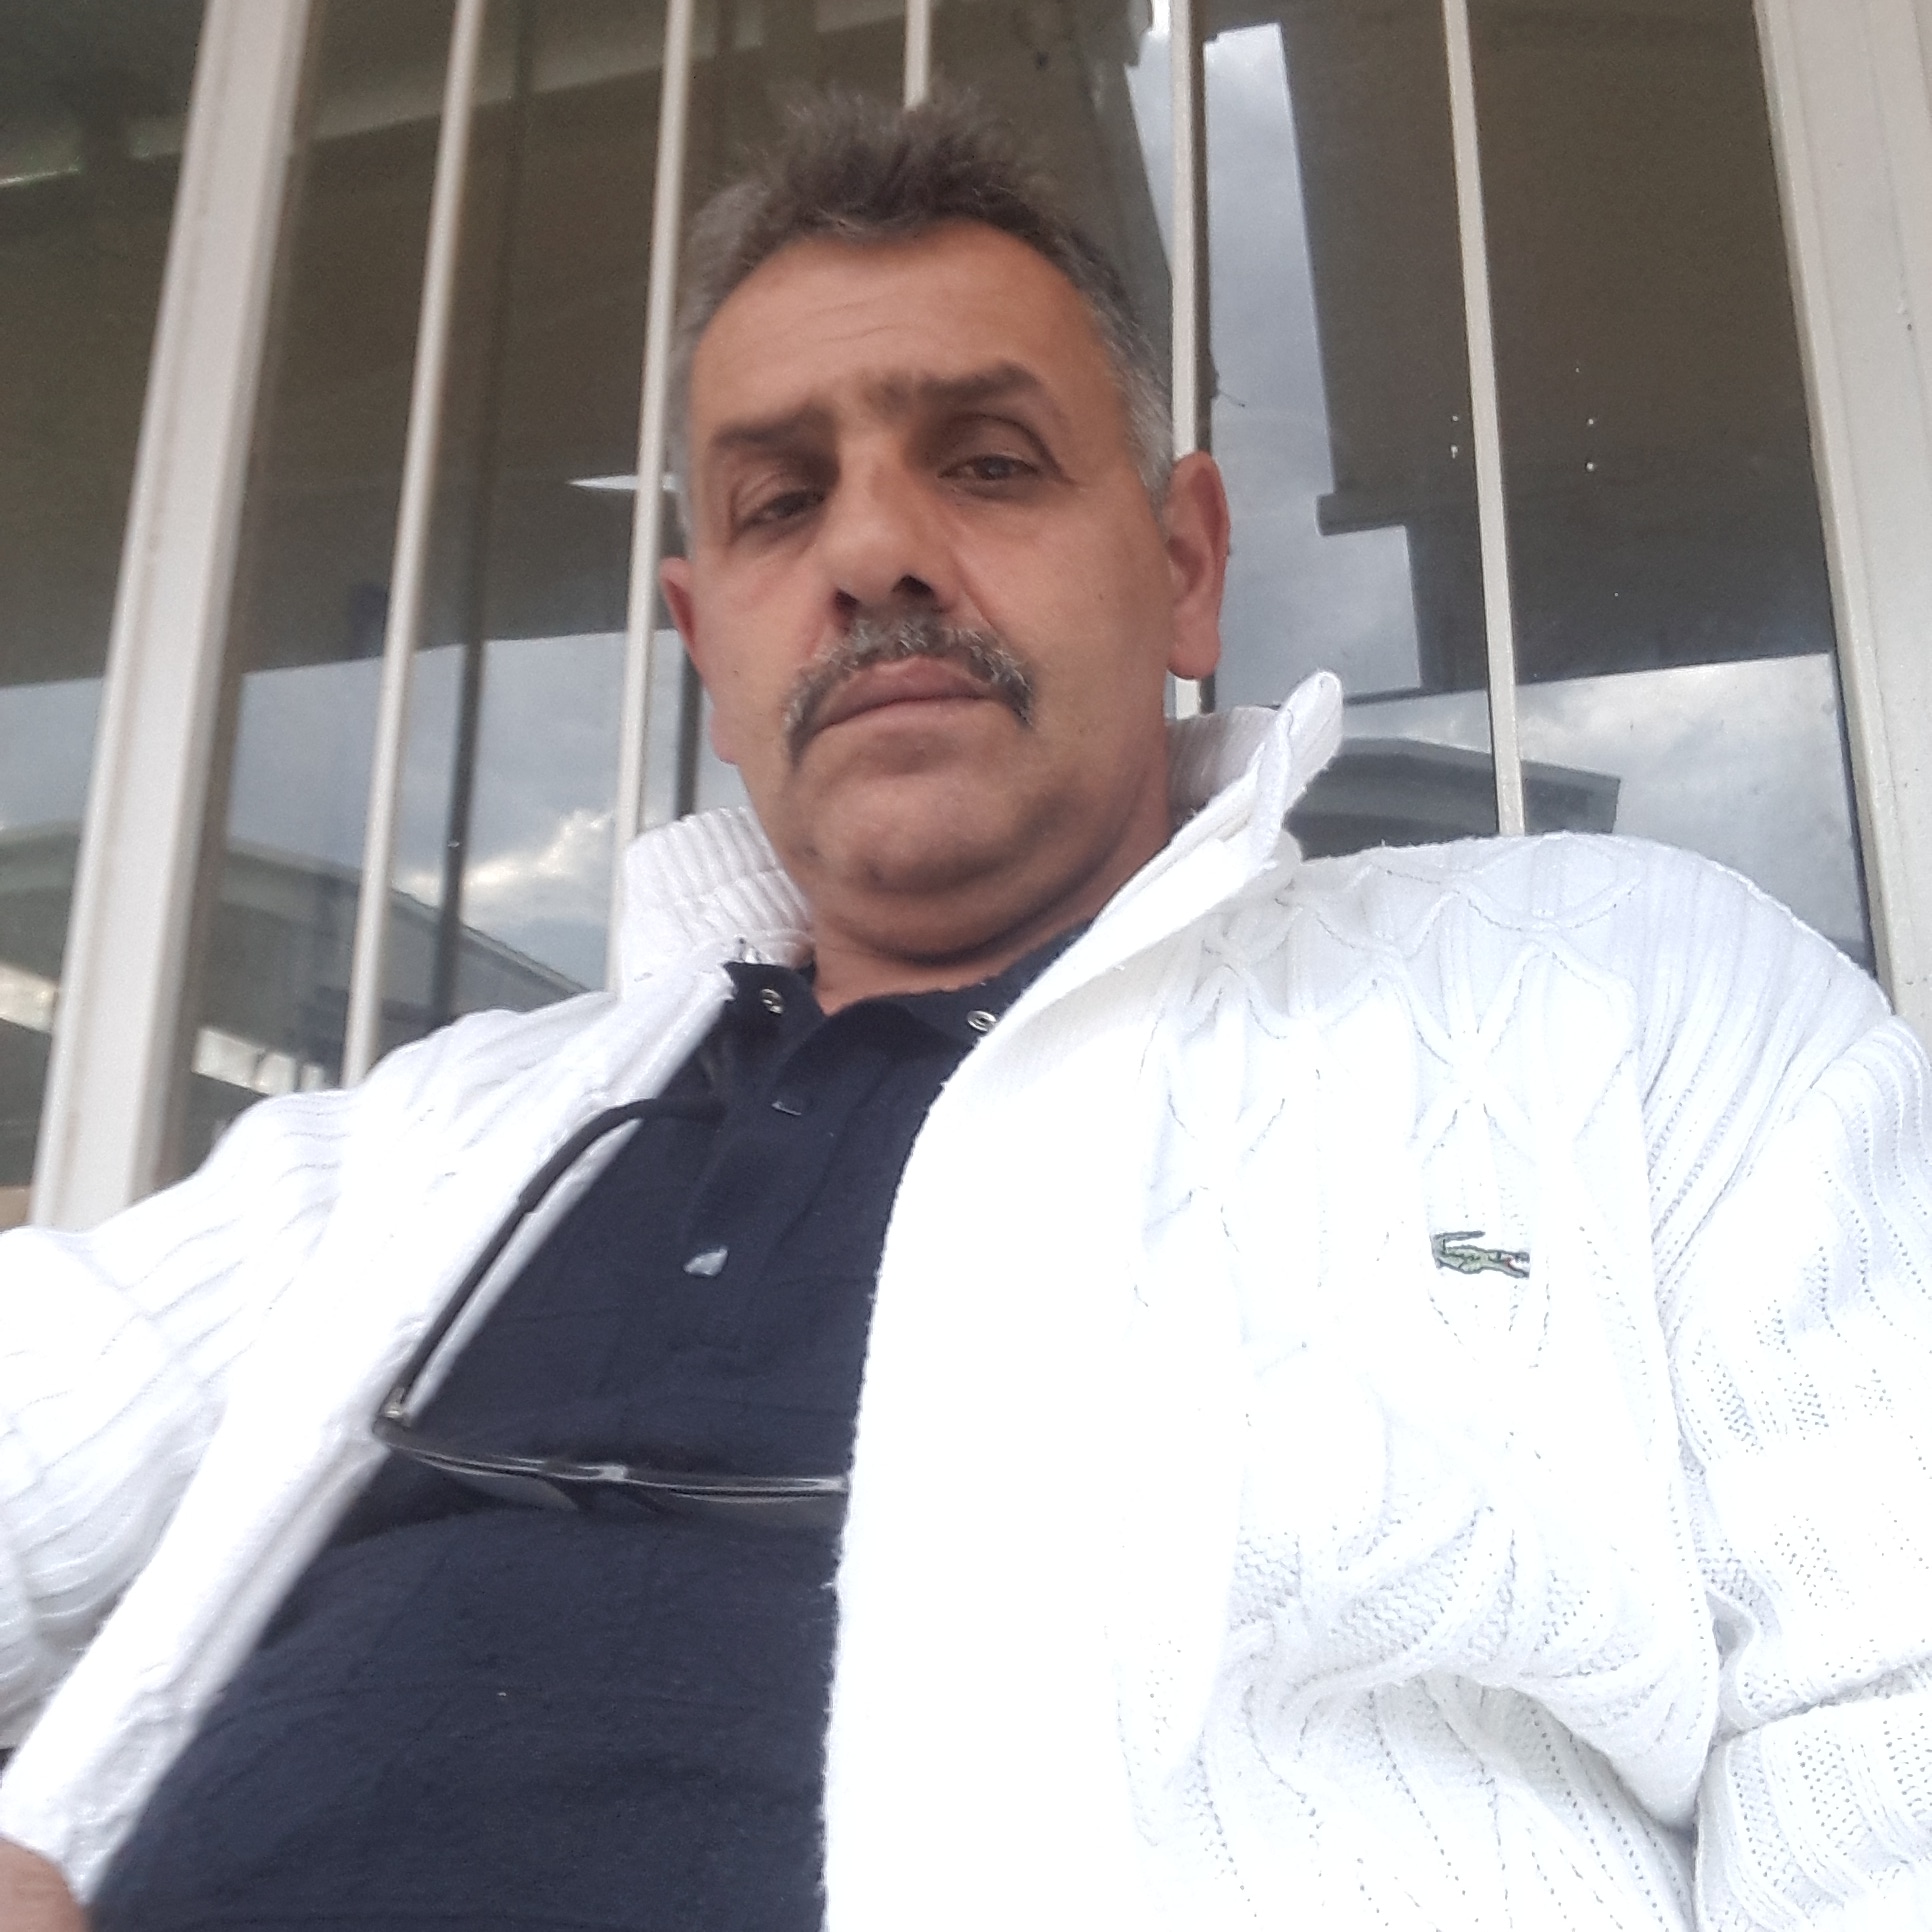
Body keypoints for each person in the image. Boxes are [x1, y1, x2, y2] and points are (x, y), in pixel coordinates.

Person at [4, 90, 1932, 1932]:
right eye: (780, 503)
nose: (873, 553)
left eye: (990, 463)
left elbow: (1889, 1698)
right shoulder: (428, 1140)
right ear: (705, 641)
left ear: (1184, 565)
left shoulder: (1619, 1001)